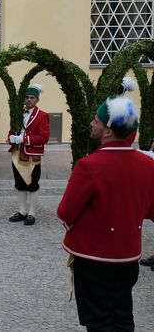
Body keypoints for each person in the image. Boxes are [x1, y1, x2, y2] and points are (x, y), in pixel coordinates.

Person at [57, 97, 154, 331]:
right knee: (122, 316)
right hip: (129, 256)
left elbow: (65, 213)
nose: (92, 123)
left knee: (98, 321)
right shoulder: (148, 164)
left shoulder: (88, 165)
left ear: (108, 130)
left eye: (96, 120)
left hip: (93, 258)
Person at [7, 83, 50, 226]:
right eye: (27, 97)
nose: (29, 100)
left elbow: (44, 137)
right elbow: (12, 130)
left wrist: (24, 139)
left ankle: (32, 213)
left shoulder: (43, 115)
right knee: (19, 183)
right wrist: (10, 138)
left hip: (32, 154)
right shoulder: (18, 113)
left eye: (32, 97)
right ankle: (22, 211)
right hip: (17, 152)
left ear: (37, 99)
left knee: (32, 183)